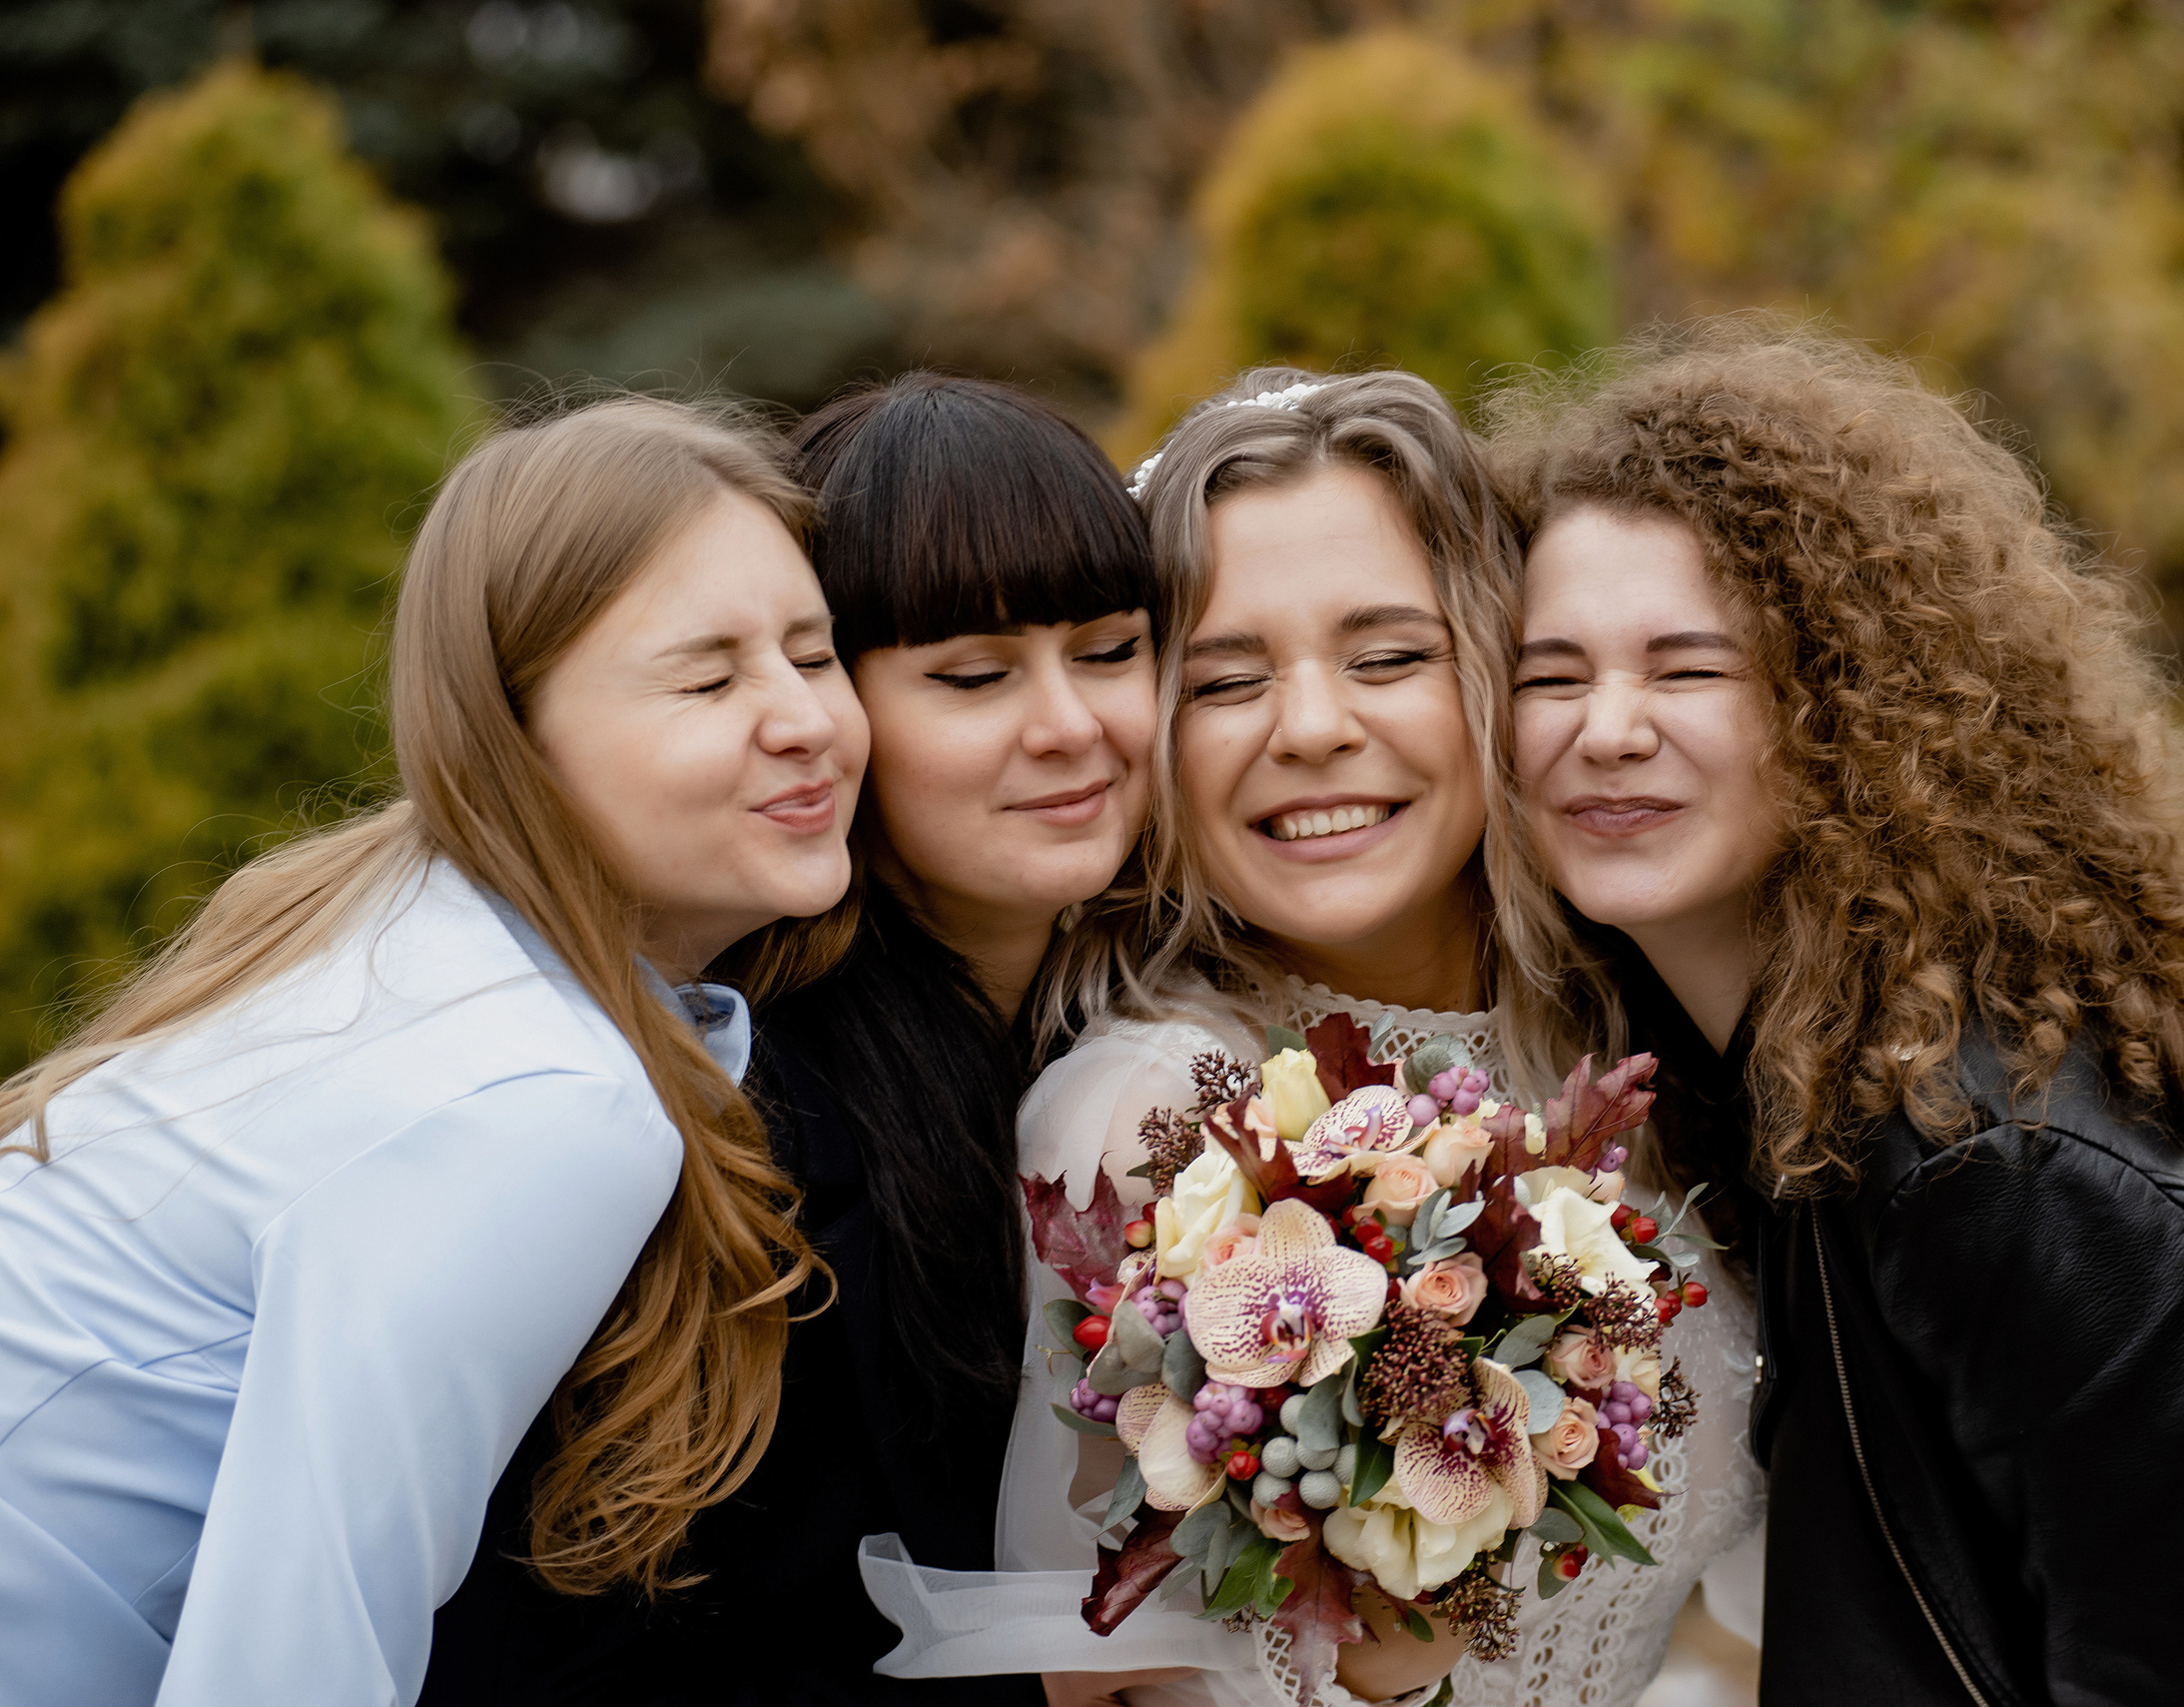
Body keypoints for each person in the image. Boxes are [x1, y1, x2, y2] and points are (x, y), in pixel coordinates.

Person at [1492, 321, 2184, 1704]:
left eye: (1688, 666)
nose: (1608, 725)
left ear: (1844, 703)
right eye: (1553, 674)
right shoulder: (1800, 1091)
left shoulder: (1988, 1150)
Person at [888, 368, 1768, 1707]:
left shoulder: (1660, 1044)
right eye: (1228, 678)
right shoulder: (1149, 1125)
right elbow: (1106, 1678)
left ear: (1496, 670)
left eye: (1389, 655)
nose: (1312, 729)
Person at [0, 396, 867, 1706]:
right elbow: (291, 1663)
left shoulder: (421, 922)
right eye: (709, 676)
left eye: (814, 652)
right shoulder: (539, 1097)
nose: (804, 717)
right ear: (518, 740)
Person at [424, 373, 1205, 1706]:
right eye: (971, 675)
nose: (1070, 725)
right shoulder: (748, 1135)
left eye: (1110, 648)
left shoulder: (1146, 1029)